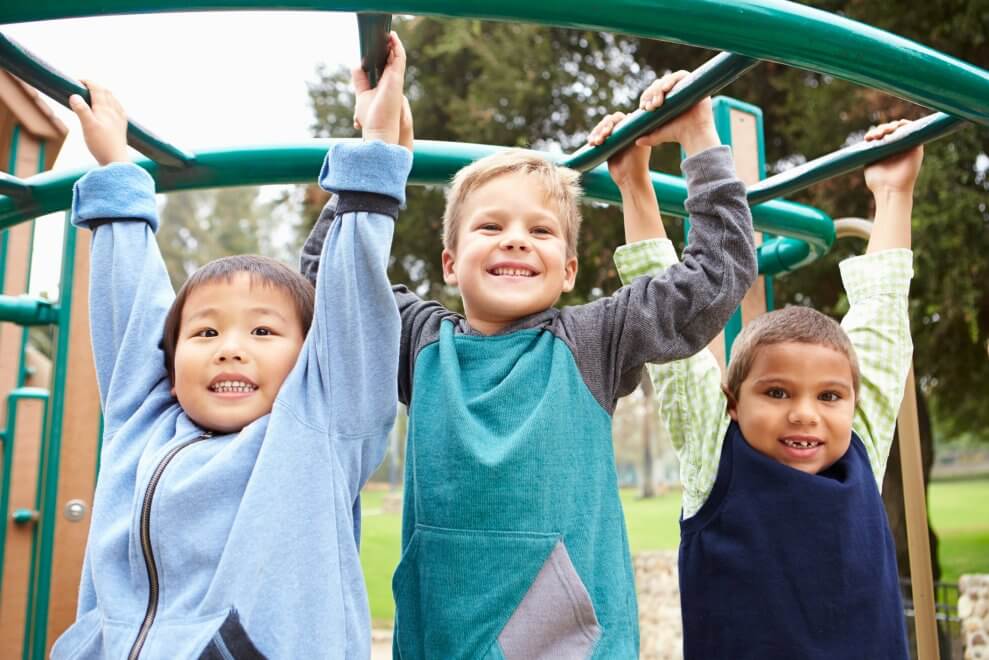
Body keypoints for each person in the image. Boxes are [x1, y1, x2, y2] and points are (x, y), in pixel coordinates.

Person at [302, 69, 758, 658]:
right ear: (449, 261)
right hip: (444, 638)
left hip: (568, 644)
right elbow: (327, 290)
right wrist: (378, 158)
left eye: (541, 231)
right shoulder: (422, 345)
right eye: (490, 226)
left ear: (568, 270)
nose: (515, 240)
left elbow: (717, 275)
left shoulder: (595, 340)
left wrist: (700, 136)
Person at [51, 34, 412, 659]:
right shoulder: (143, 420)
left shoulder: (320, 430)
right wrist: (115, 170)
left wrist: (374, 156)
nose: (229, 349)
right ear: (169, 364)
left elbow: (354, 304)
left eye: (264, 331)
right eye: (206, 332)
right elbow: (131, 303)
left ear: (310, 360)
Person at [607, 111, 921, 659]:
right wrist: (634, 183)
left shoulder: (859, 449)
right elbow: (667, 321)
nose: (805, 414)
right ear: (731, 403)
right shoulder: (717, 454)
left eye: (829, 396)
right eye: (777, 393)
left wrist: (894, 194)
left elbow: (881, 318)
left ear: (853, 400)